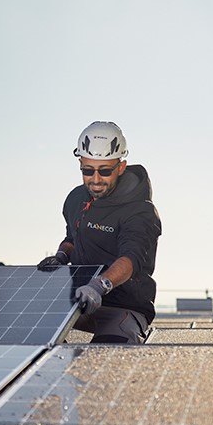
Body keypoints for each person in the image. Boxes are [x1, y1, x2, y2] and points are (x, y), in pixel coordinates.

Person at [37, 121, 161, 343]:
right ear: (80, 164)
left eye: (105, 171)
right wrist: (61, 256)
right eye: (88, 170)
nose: (95, 180)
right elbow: (72, 238)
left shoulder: (140, 211)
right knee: (33, 331)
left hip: (124, 305)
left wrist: (99, 286)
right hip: (80, 301)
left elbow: (130, 259)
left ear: (120, 167)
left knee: (107, 356)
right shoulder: (76, 199)